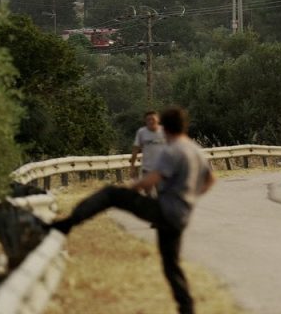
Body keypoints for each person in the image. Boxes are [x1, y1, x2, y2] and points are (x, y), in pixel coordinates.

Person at [50, 106, 215, 314]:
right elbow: (211, 180)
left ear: (165, 128)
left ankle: (67, 224)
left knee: (110, 194)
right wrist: (190, 197)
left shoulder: (172, 150)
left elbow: (150, 181)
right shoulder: (195, 150)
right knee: (171, 265)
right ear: (184, 126)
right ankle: (187, 308)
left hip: (164, 210)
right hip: (181, 216)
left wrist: (128, 187)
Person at [130, 110, 166, 195]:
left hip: (161, 169)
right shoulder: (141, 132)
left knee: (162, 194)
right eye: (148, 120)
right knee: (148, 193)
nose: (150, 121)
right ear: (145, 121)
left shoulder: (164, 131)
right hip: (147, 168)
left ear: (158, 120)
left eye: (153, 119)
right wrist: (132, 167)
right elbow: (135, 149)